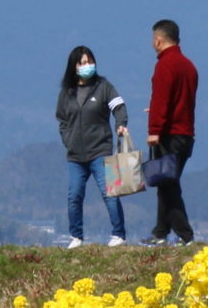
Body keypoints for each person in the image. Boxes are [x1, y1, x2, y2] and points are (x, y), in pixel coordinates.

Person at [56, 44, 131, 248]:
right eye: (82, 63)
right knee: (74, 195)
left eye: (89, 61)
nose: (87, 65)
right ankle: (76, 236)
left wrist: (121, 124)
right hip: (75, 155)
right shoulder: (67, 92)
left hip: (100, 150)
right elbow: (61, 119)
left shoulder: (103, 86)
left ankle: (118, 234)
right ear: (74, 67)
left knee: (110, 193)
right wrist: (67, 139)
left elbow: (119, 107)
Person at [145, 18, 198, 245]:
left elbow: (162, 98)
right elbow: (180, 101)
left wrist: (154, 129)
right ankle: (160, 232)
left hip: (169, 134)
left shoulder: (165, 65)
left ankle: (185, 235)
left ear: (158, 40)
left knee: (169, 186)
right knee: (165, 181)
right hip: (185, 133)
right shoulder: (189, 66)